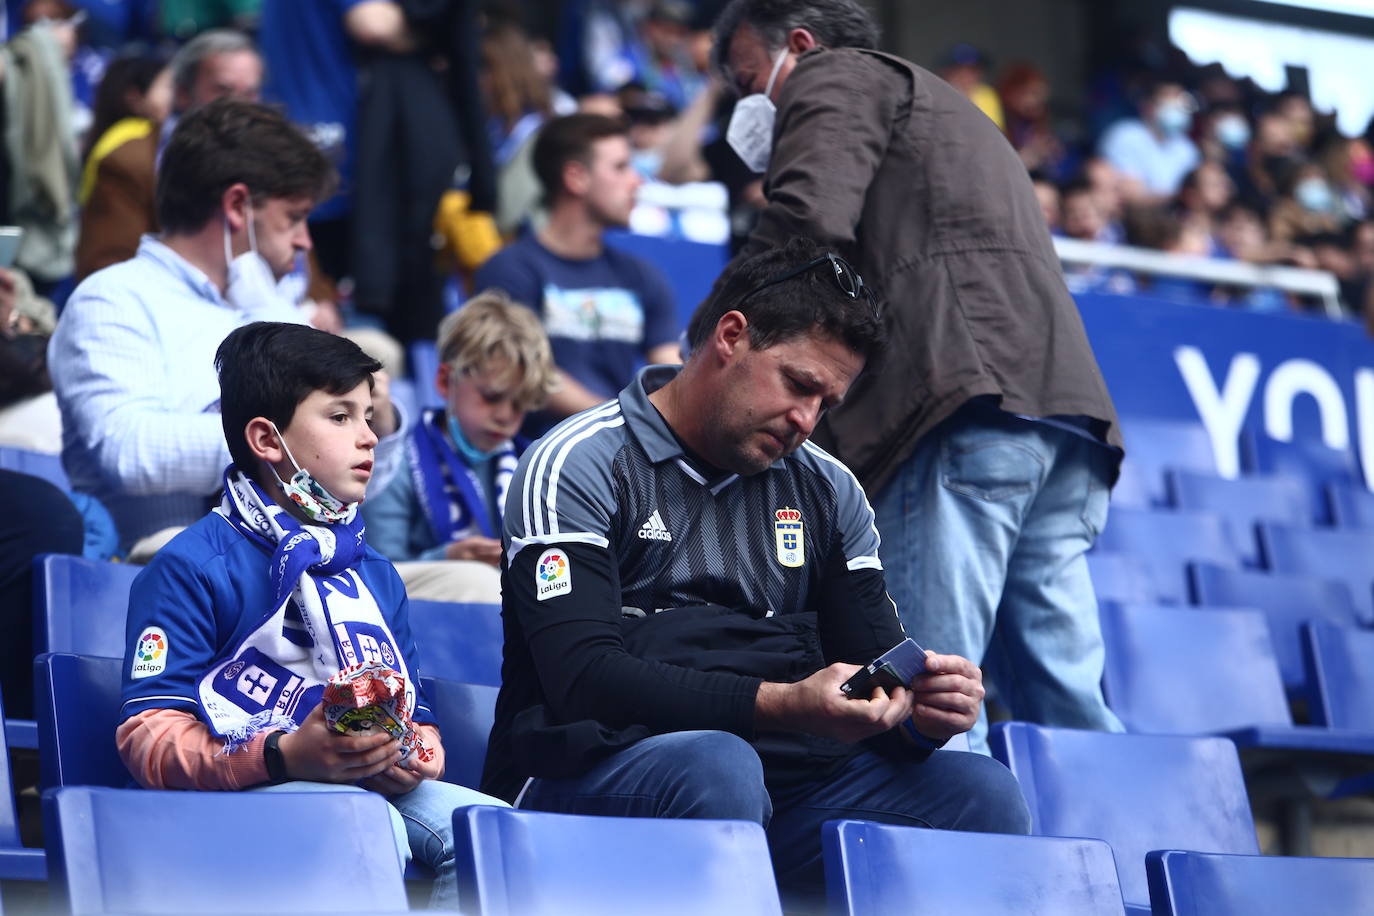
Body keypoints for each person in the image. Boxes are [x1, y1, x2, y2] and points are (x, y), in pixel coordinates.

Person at [484, 239, 1030, 908]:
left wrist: (923, 714)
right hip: (578, 780)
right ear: (731, 337)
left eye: (826, 403)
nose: (807, 420)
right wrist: (782, 703)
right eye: (798, 384)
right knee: (719, 764)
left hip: (778, 789)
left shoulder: (830, 492)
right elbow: (582, 681)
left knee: (982, 792)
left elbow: (876, 670)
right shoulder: (579, 461)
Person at [711, 0, 1123, 754]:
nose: (747, 106)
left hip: (963, 410)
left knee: (933, 705)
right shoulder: (941, 108)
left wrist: (710, 334)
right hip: (1060, 417)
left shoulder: (835, 74)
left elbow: (806, 227)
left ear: (797, 46)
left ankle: (955, 873)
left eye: (747, 80)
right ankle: (1123, 861)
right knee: (1070, 711)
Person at [116, 321, 506, 908]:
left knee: (492, 830)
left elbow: (418, 718)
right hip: (239, 788)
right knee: (368, 825)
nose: (370, 437)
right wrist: (284, 754)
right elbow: (148, 736)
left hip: (361, 785)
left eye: (369, 417)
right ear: (268, 441)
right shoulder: (191, 566)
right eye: (341, 416)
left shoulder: (373, 571)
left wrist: (405, 756)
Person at [50, 98, 398, 558]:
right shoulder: (113, 297)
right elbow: (129, 452)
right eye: (293, 217)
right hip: (166, 569)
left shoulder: (274, 308)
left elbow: (341, 489)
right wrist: (291, 439)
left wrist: (379, 422)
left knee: (465, 585)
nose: (304, 240)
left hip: (307, 560)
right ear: (237, 206)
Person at [474, 113, 679, 432]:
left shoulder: (640, 275)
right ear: (575, 177)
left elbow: (670, 372)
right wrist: (619, 423)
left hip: (621, 456)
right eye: (621, 167)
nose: (637, 181)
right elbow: (517, 369)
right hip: (534, 451)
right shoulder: (509, 270)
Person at [363, 290, 558, 601]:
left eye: (521, 404)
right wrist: (446, 558)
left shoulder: (536, 467)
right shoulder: (395, 459)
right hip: (418, 618)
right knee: (480, 582)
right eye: (492, 397)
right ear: (444, 381)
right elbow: (374, 574)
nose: (506, 417)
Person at [74, 29, 262, 281]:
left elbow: (297, 252)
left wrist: (319, 298)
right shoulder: (130, 160)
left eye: (250, 93)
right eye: (223, 91)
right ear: (183, 94)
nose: (240, 106)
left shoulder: (267, 158)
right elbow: (108, 270)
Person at [1098, 80, 1201, 201]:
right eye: (1169, 102)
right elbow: (1130, 191)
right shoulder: (1124, 135)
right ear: (1148, 105)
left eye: (1179, 102)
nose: (1176, 108)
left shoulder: (1187, 147)